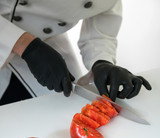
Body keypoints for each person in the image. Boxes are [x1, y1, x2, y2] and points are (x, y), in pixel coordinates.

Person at [0, 0, 151, 105]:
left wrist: (102, 61)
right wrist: (26, 46)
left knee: (62, 109)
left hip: (47, 44)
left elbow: (101, 22)